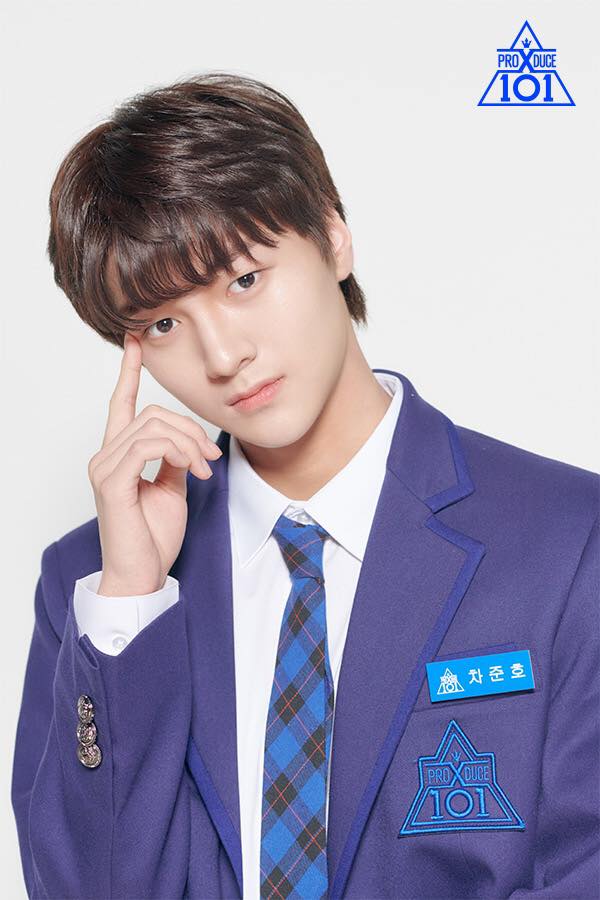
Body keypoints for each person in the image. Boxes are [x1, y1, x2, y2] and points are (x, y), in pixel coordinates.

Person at [11, 71, 599, 900]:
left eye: (244, 280)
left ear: (333, 236)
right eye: (164, 323)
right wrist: (132, 602)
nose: (223, 356)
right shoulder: (93, 591)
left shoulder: (569, 540)